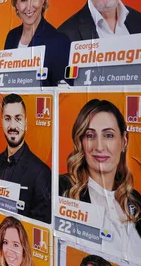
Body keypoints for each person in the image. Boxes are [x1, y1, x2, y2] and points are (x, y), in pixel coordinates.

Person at [59, 99, 141, 255]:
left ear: (124, 141)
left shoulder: (136, 201)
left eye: (108, 135)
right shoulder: (61, 188)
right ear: (80, 142)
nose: (99, 146)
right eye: (90, 135)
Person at [3, 0, 71, 86]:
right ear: (16, 3)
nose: (29, 7)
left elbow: (64, 96)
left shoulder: (59, 41)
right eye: (23, 0)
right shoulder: (11, 37)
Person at [0, 93, 51, 224]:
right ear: (1, 122)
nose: (12, 126)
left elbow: (40, 225)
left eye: (18, 119)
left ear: (26, 124)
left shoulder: (41, 172)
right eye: (7, 118)